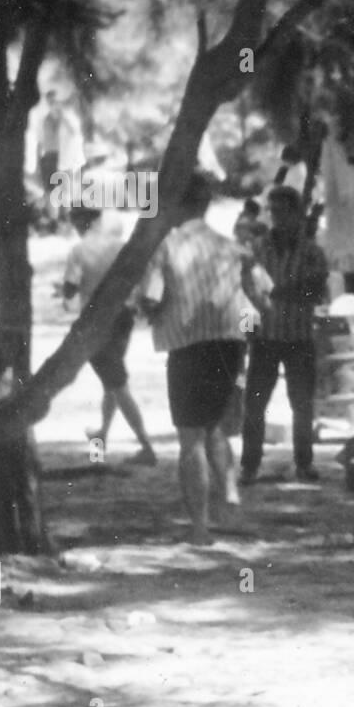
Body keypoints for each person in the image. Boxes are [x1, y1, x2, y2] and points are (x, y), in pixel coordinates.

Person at [136, 172, 271, 543]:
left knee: (190, 438)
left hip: (187, 348)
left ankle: (199, 526)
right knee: (217, 429)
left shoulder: (166, 246)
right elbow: (262, 291)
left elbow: (149, 299)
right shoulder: (231, 247)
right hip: (230, 345)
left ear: (177, 204)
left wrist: (153, 312)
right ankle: (228, 506)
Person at [240, 185, 329, 485]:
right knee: (254, 404)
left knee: (302, 405)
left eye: (283, 211)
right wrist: (248, 334)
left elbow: (315, 291)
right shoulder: (258, 250)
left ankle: (304, 463)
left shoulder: (311, 251)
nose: (277, 218)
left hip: (299, 337)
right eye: (273, 211)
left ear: (296, 214)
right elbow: (245, 294)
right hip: (264, 338)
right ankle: (249, 466)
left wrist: (278, 292)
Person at [60, 206, 157, 466]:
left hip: (96, 320)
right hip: (123, 316)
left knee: (116, 383)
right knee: (111, 381)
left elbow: (70, 289)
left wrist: (65, 293)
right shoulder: (120, 246)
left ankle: (146, 445)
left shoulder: (79, 250)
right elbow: (144, 274)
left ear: (81, 222)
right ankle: (101, 435)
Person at [36, 91, 75, 231]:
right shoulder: (45, 119)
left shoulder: (66, 119)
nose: (54, 104)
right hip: (50, 156)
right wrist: (37, 162)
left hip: (63, 156)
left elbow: (73, 133)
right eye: (51, 102)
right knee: (51, 189)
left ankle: (65, 219)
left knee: (64, 189)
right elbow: (40, 142)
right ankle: (54, 222)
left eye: (56, 101)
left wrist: (62, 117)